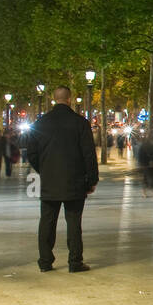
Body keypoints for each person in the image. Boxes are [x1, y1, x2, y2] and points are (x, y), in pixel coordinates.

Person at [26, 86, 98, 272]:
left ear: (53, 99)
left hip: (50, 181)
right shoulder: (80, 122)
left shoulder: (40, 123)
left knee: (47, 222)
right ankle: (75, 262)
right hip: (74, 180)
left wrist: (44, 168)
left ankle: (45, 261)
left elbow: (32, 152)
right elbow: (88, 154)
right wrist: (91, 179)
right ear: (70, 99)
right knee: (74, 222)